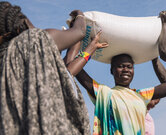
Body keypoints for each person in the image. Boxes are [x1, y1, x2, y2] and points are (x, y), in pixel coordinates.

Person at [0, 1, 107, 134]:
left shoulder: (9, 66)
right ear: (22, 24)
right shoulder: (34, 40)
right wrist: (79, 16)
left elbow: (68, 66)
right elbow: (79, 31)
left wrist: (90, 48)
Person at [64, 35, 166, 134]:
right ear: (112, 70)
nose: (125, 70)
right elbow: (72, 68)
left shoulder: (142, 95)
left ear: (133, 70)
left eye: (129, 67)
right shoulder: (103, 93)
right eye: (120, 66)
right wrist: (87, 44)